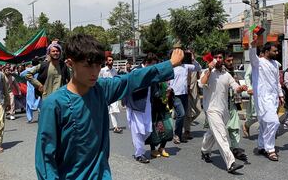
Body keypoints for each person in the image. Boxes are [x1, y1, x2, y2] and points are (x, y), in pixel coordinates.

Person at [35, 34, 184, 180]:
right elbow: (45, 159)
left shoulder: (101, 89)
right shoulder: (54, 105)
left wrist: (169, 64)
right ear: (70, 63)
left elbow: (133, 78)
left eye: (98, 65)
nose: (94, 72)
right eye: (88, 65)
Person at [198, 50, 248, 174]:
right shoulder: (207, 72)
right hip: (211, 109)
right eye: (216, 57)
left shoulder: (226, 74)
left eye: (221, 57)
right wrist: (209, 70)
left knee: (213, 132)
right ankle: (230, 163)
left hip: (224, 110)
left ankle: (204, 151)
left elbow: (235, 87)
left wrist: (240, 88)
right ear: (212, 59)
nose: (219, 59)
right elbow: (201, 83)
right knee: (221, 134)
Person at [250, 36, 284, 162]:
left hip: (273, 97)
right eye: (274, 51)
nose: (277, 53)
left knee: (265, 123)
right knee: (274, 122)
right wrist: (253, 46)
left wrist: (280, 95)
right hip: (263, 98)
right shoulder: (258, 62)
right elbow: (252, 57)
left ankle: (260, 146)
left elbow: (277, 82)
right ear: (266, 51)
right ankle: (270, 149)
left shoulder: (275, 64)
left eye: (277, 51)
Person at [124, 53, 159, 163]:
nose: (154, 67)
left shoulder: (151, 73)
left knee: (148, 130)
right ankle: (139, 154)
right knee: (138, 129)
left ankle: (137, 142)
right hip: (136, 104)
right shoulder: (136, 71)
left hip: (147, 104)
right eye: (152, 65)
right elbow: (128, 87)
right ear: (147, 63)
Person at [169, 48, 201, 144]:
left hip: (184, 95)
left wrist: (192, 59)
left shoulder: (186, 66)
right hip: (176, 95)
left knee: (182, 116)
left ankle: (179, 135)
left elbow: (198, 68)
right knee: (181, 114)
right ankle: (176, 134)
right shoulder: (171, 67)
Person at [224, 52, 249, 163]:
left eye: (231, 60)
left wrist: (241, 88)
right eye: (228, 60)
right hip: (220, 106)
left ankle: (235, 148)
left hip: (232, 103)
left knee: (234, 127)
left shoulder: (232, 72)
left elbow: (235, 88)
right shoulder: (218, 72)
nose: (230, 63)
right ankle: (206, 150)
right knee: (215, 131)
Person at [242, 49, 264, 138]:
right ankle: (246, 125)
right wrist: (250, 88)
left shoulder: (270, 63)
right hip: (256, 92)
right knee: (256, 115)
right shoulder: (255, 63)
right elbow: (247, 76)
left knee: (265, 114)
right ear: (262, 54)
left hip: (266, 93)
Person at [99, 56, 123, 133]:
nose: (111, 61)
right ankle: (102, 127)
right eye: (109, 60)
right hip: (103, 93)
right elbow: (98, 80)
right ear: (106, 61)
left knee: (114, 111)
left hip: (113, 93)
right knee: (104, 111)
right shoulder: (102, 70)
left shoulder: (114, 70)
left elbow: (116, 80)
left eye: (112, 60)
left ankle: (115, 127)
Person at [21, 59, 41, 123]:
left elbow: (21, 74)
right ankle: (41, 117)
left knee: (29, 104)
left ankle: (30, 118)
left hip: (30, 90)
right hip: (39, 88)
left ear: (32, 64)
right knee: (40, 104)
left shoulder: (29, 70)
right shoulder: (40, 69)